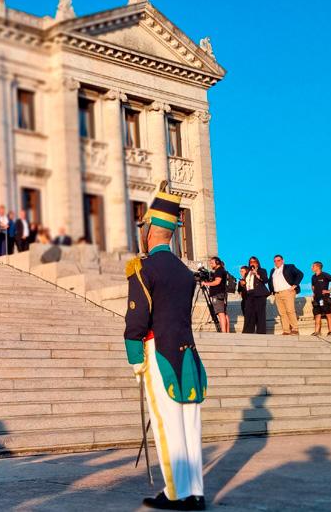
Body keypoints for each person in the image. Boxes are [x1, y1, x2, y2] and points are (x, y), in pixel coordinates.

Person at [124, 184, 206, 511]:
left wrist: (135, 360)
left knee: (168, 426)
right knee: (190, 425)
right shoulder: (186, 274)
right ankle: (195, 491)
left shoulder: (143, 268)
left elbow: (137, 319)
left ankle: (175, 493)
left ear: (149, 233)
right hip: (188, 354)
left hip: (158, 354)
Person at [268, 254, 304, 335]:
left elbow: (300, 274)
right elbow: (270, 281)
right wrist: (272, 291)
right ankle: (286, 330)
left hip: (288, 292)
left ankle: (295, 329)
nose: (276, 262)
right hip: (277, 294)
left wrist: (295, 285)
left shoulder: (289, 267)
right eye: (275, 261)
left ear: (282, 261)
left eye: (278, 260)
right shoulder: (272, 270)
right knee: (282, 313)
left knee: (290, 310)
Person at [199, 257, 229, 333]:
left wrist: (206, 283)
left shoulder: (218, 271)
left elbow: (217, 282)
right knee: (224, 313)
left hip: (217, 294)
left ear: (217, 262)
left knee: (220, 313)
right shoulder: (222, 270)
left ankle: (224, 332)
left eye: (212, 263)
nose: (211, 264)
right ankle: (227, 332)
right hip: (222, 293)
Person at [241, 256, 269, 334]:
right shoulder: (247, 272)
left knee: (260, 314)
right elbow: (246, 283)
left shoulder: (262, 270)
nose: (252, 263)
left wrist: (257, 274)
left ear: (257, 263)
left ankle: (261, 332)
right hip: (249, 294)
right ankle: (248, 331)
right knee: (249, 313)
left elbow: (266, 280)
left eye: (254, 262)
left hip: (259, 294)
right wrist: (243, 284)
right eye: (251, 262)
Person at [310, 262, 331, 336]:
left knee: (328, 314)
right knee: (317, 314)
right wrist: (314, 293)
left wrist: (329, 290)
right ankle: (317, 332)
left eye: (313, 266)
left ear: (318, 267)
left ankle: (330, 332)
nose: (311, 267)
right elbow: (313, 286)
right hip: (316, 299)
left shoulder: (324, 274)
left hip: (324, 298)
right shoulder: (313, 277)